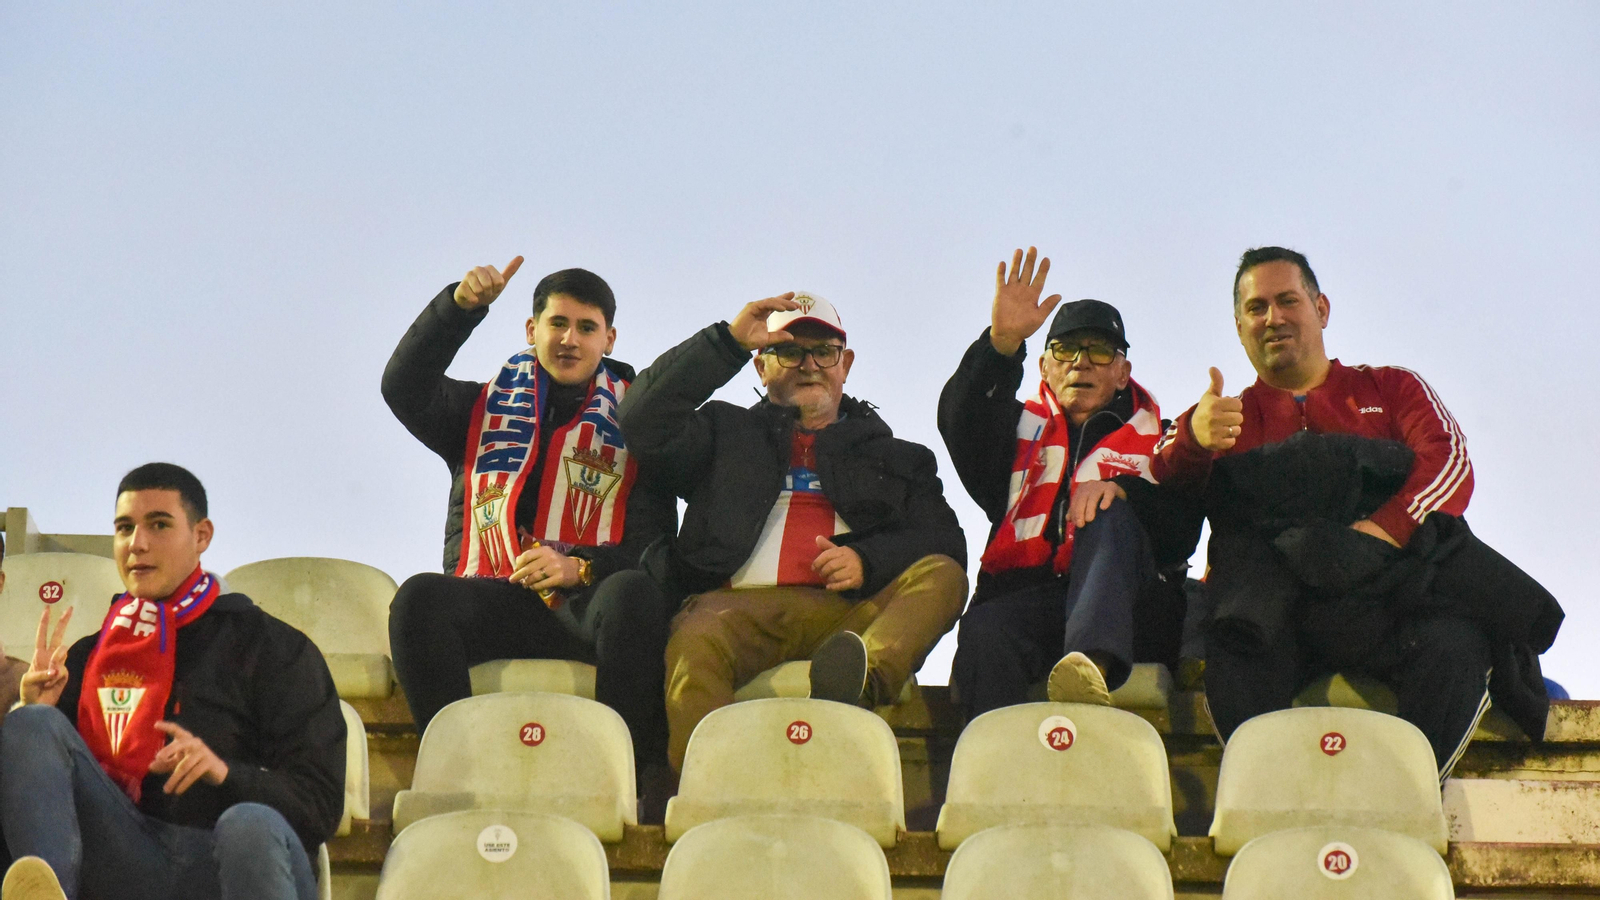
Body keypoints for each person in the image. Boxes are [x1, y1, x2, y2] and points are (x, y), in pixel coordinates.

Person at [1153, 246, 1509, 774]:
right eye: (1256, 308)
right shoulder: (1218, 416)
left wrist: (1378, 532)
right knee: (1234, 649)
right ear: (1238, 326)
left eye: (1287, 300)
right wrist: (1193, 441)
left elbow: (1449, 465)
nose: (1272, 317)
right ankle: (1264, 805)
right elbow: (1161, 501)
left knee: (1455, 644)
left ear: (1321, 309)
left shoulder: (1390, 388)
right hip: (1270, 617)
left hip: (1384, 600)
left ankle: (1409, 802)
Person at [617, 291, 969, 771]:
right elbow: (640, 419)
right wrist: (727, 341)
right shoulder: (722, 432)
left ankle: (857, 683)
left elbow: (945, 543)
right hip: (737, 612)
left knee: (942, 576)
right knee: (695, 639)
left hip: (850, 618)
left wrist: (868, 560)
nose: (808, 364)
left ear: (845, 364)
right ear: (760, 367)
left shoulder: (896, 455)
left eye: (823, 351)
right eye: (787, 351)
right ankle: (710, 791)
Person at [0, 463, 345, 900]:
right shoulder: (85, 658)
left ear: (201, 536)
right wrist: (36, 708)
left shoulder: (273, 646)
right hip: (126, 858)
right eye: (124, 529)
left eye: (158, 525)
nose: (137, 544)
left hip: (232, 864)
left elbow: (320, 805)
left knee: (248, 825)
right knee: (30, 724)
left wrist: (225, 774)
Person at [381, 257, 676, 767]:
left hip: (587, 608)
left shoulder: (638, 423)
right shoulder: (476, 410)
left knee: (634, 594)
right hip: (498, 598)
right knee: (419, 599)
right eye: (557, 323)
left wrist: (579, 568)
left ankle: (623, 775)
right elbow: (402, 387)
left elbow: (655, 548)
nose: (570, 339)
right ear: (531, 329)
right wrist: (460, 309)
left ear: (609, 340)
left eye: (587, 328)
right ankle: (454, 769)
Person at [939, 247, 1198, 721]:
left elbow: (1184, 532)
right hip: (1035, 597)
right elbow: (960, 420)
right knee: (988, 631)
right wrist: (1000, 344)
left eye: (1099, 351)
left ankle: (1091, 666)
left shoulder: (1164, 439)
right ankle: (994, 778)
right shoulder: (1014, 433)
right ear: (1044, 367)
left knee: (1105, 507)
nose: (1081, 362)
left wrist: (1125, 492)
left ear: (1123, 372)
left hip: (1137, 608)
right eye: (1065, 350)